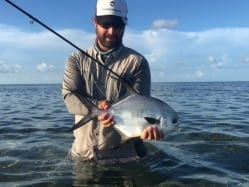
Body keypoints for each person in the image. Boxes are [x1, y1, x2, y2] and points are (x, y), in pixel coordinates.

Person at [62, 0, 164, 163]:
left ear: (125, 24)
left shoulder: (137, 62)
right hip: (83, 156)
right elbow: (69, 98)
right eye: (105, 24)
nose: (111, 31)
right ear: (95, 22)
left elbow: (142, 106)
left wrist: (149, 130)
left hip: (125, 158)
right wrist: (98, 106)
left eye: (117, 25)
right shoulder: (76, 59)